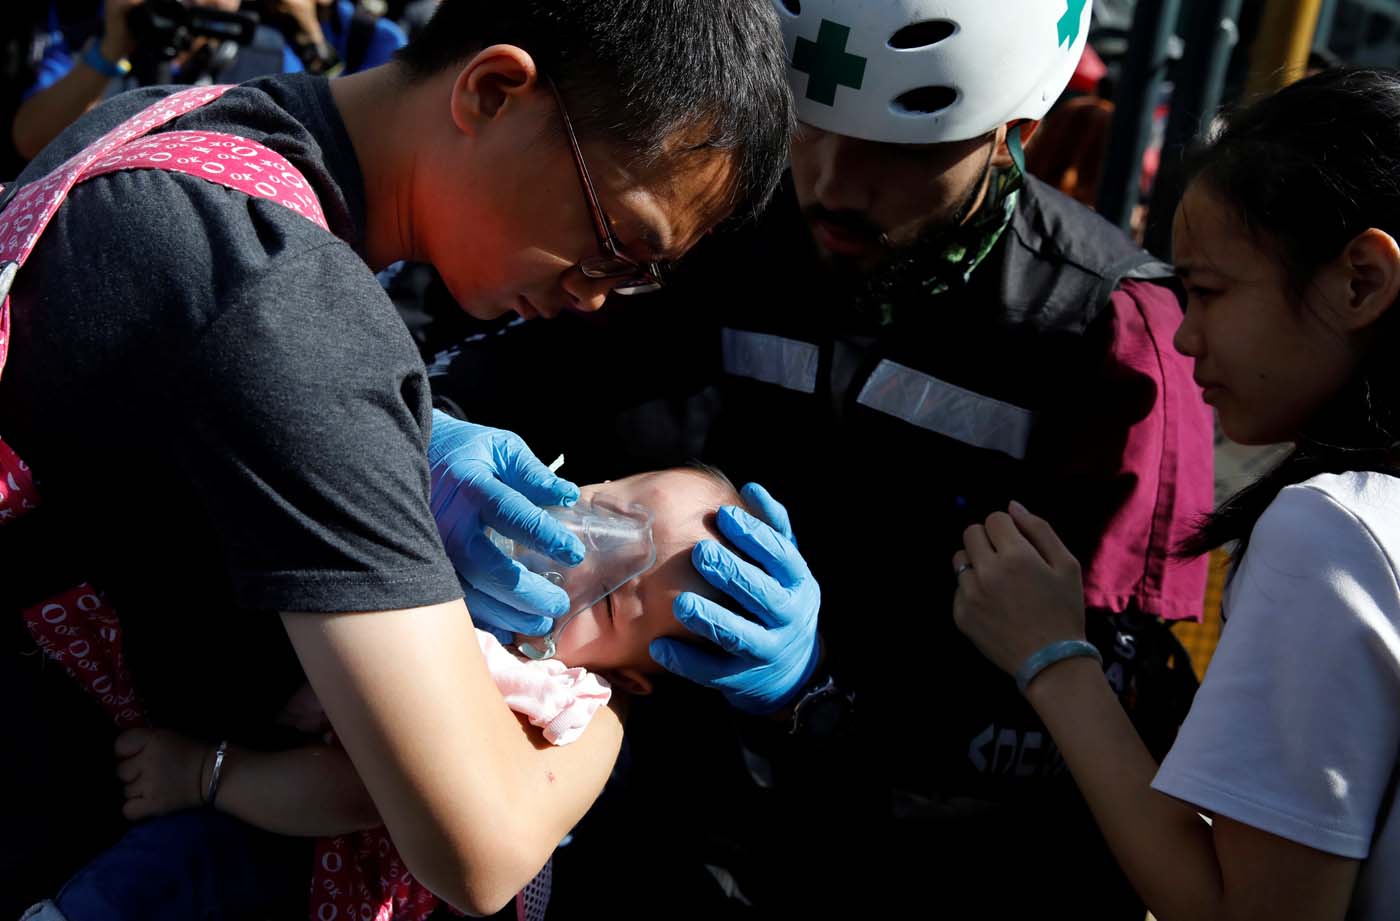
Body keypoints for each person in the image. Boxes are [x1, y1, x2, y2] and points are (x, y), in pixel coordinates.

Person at [1, 1, 794, 917]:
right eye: (616, 243)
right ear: (494, 92)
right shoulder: (286, 301)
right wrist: (606, 717)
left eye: (637, 278)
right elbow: (480, 847)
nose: (599, 297)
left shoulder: (175, 123)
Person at [426, 0, 1214, 916]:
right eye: (812, 127)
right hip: (653, 817)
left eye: (901, 151)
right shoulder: (718, 224)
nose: (836, 183)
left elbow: (1123, 722)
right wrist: (432, 431)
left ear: (1015, 132)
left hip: (922, 867)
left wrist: (822, 690)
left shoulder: (1115, 341)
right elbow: (481, 357)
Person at [953, 66, 1400, 920]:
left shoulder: (1334, 534)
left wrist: (1050, 655)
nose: (1186, 336)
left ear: (1360, 282)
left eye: (1209, 291)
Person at [37, 466, 739, 921]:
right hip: (222, 717)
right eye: (603, 513)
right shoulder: (466, 533)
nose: (581, 559)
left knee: (182, 867)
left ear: (629, 674)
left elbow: (368, 790)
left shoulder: (549, 697)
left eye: (614, 602)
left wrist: (207, 772)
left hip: (312, 850)